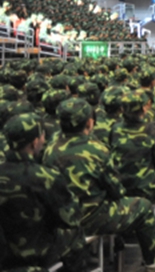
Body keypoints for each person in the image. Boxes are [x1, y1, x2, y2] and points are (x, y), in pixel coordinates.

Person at [43, 98, 155, 272]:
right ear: (90, 122)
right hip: (90, 218)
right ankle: (153, 262)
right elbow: (116, 189)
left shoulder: (50, 148)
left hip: (60, 221)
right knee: (143, 207)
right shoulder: (97, 149)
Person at [0, 113, 87, 272]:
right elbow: (70, 218)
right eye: (42, 136)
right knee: (75, 233)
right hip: (37, 254)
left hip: (4, 257)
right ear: (34, 143)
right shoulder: (46, 177)